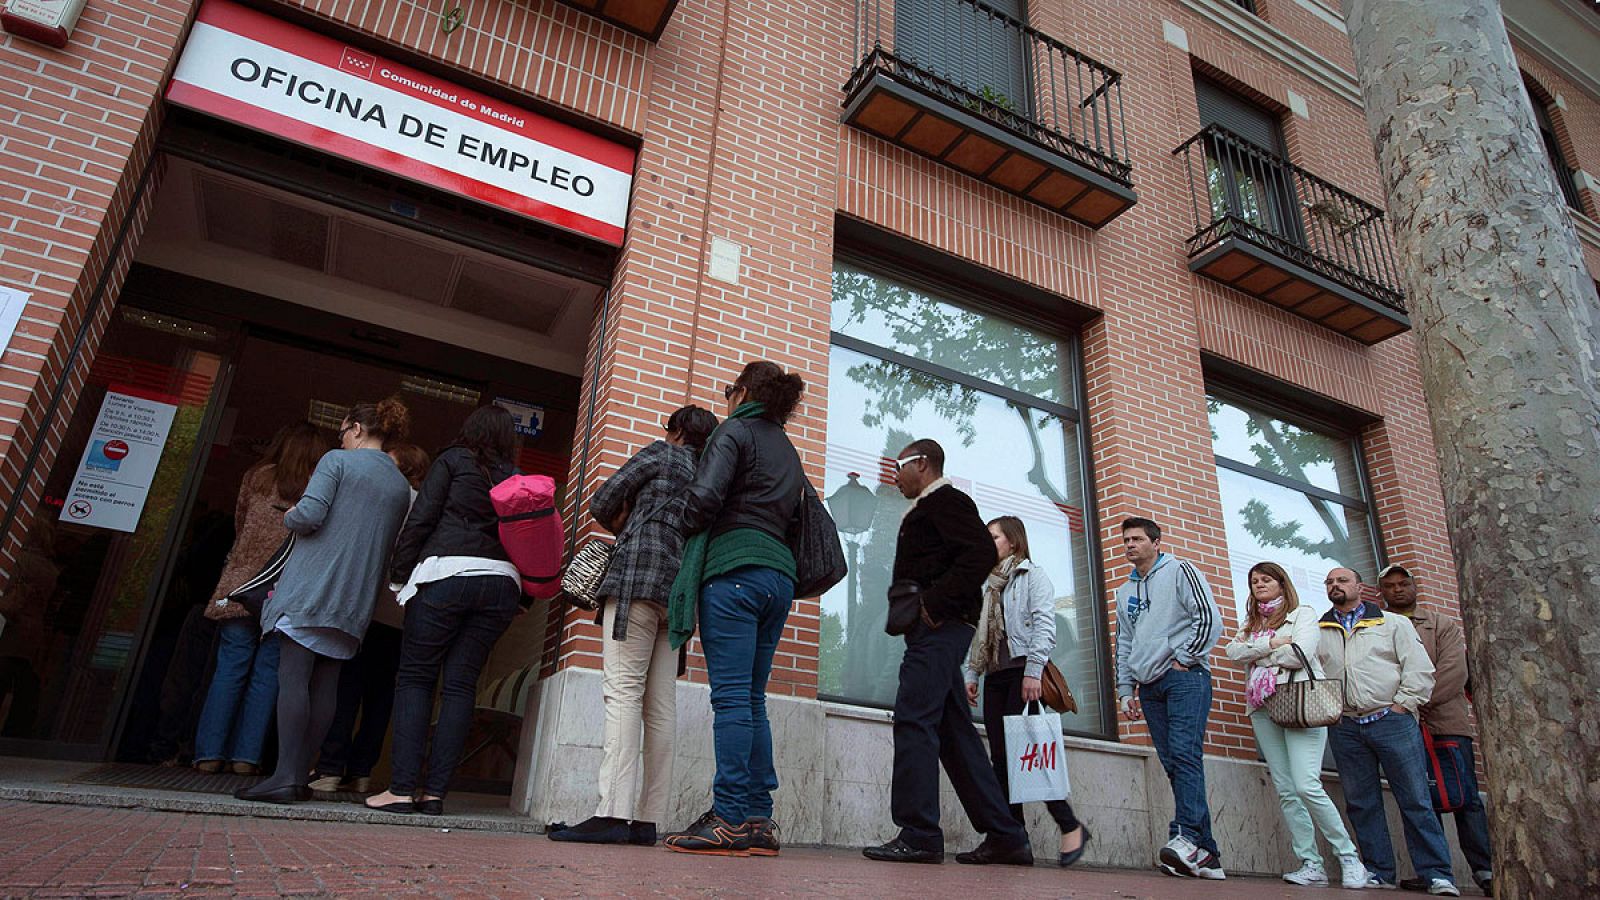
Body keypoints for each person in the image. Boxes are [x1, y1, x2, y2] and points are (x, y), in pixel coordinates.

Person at [551, 405, 718, 846]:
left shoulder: (660, 454)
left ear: (677, 430)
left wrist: (623, 521)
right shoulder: (709, 477)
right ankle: (647, 819)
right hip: (678, 598)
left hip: (636, 585)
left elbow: (602, 500)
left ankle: (611, 812)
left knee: (623, 692)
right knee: (661, 707)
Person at [862, 439, 1032, 867]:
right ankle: (1007, 835)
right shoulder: (927, 507)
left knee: (914, 717)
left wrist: (932, 606)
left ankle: (919, 833)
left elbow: (978, 554)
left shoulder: (948, 501)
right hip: (935, 630)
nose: (893, 475)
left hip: (941, 627)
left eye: (899, 466)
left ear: (922, 463)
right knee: (955, 735)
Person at [234, 399, 413, 804]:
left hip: (313, 585)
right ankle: (299, 775)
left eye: (343, 432)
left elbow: (310, 516)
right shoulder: (399, 484)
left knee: (293, 679)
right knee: (327, 684)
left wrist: (291, 513)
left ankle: (285, 776)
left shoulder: (338, 462)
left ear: (356, 429)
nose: (341, 440)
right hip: (355, 598)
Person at [661, 361, 806, 857]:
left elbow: (703, 500)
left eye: (728, 390)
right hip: (778, 578)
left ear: (742, 393)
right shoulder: (788, 449)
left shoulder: (734, 431)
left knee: (730, 700)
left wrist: (675, 519)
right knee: (752, 698)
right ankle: (759, 821)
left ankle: (726, 819)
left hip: (735, 572)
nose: (725, 399)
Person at [364, 407, 524, 816]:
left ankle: (401, 789)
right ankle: (435, 793)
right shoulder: (515, 477)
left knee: (417, 678)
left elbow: (422, 519)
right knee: (460, 686)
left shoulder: (453, 460)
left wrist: (399, 577)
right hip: (501, 584)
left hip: (447, 574)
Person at [193, 423, 326, 776]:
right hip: (284, 590)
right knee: (269, 673)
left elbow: (239, 524)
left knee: (230, 669)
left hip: (242, 583)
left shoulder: (258, 476)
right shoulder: (319, 487)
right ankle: (245, 758)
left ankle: (208, 754)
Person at [1223, 561, 1366, 889]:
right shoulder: (1251, 622)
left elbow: (1299, 653)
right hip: (1263, 707)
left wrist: (1258, 653)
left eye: (1266, 579)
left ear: (1281, 583)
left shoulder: (1302, 613)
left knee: (1306, 784)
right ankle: (1310, 863)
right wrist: (1272, 644)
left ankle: (1348, 856)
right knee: (1287, 789)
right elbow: (1233, 652)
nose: (1259, 585)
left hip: (1301, 702)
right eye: (1254, 580)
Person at [1318, 567, 1458, 896]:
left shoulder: (1392, 623)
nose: (1335, 586)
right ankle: (1379, 871)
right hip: (1346, 725)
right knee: (1361, 803)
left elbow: (1418, 667)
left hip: (1391, 720)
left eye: (1342, 580)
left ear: (1360, 587)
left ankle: (1437, 874)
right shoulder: (1320, 629)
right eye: (1329, 582)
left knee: (1415, 799)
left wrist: (1403, 705)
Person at [964, 516, 1088, 867]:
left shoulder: (1032, 576)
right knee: (1002, 761)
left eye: (994, 537)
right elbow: (980, 635)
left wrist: (1033, 672)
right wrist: (973, 673)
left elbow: (1045, 626)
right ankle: (1012, 839)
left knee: (1028, 756)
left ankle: (1068, 825)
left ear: (1013, 542)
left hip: (1022, 674)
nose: (989, 543)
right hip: (997, 677)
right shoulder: (989, 584)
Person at [309, 443, 431, 795]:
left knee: (346, 689)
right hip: (403, 615)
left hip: (368, 607)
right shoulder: (423, 505)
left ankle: (330, 768)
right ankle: (362, 770)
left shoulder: (387, 496)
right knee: (381, 698)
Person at [1114, 516, 1224, 880]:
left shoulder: (1180, 570)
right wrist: (1125, 689)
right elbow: (1124, 643)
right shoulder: (1124, 590)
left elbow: (1208, 618)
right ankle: (1207, 854)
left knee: (1184, 754)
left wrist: (1184, 657)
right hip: (1149, 686)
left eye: (1138, 539)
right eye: (1126, 539)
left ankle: (1186, 836)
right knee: (1174, 762)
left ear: (1156, 542)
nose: (1130, 545)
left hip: (1184, 679)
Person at [1377, 564, 1491, 896]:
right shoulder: (1379, 625)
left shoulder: (1441, 624)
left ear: (1414, 586)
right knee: (1419, 799)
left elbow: (1454, 671)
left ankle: (1485, 869)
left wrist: (1414, 700)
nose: (1398, 590)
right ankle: (1434, 872)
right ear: (1381, 591)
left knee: (1466, 797)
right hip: (1401, 726)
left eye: (1403, 583)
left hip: (1444, 724)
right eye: (1389, 585)